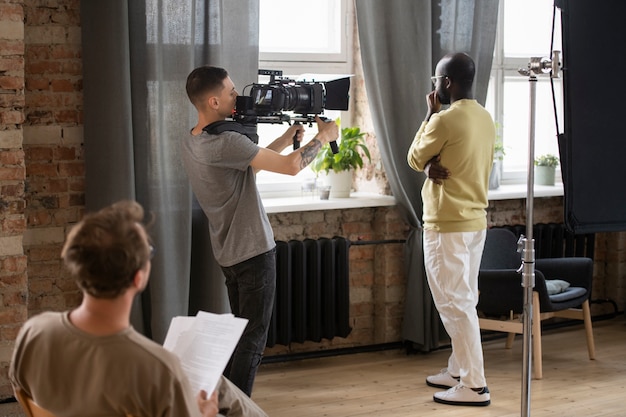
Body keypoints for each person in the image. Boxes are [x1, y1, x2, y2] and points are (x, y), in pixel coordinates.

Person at [9, 200, 268, 417]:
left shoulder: (35, 331)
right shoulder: (156, 369)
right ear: (138, 277)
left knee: (218, 384)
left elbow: (20, 389)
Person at [181, 65, 339, 396]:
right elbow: (292, 167)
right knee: (252, 342)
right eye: (229, 92)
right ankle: (238, 408)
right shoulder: (227, 142)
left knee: (239, 336)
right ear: (213, 102)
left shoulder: (195, 138)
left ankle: (222, 404)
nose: (237, 96)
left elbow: (248, 166)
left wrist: (286, 138)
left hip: (228, 253)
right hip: (253, 252)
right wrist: (323, 138)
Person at [407, 52, 495, 407]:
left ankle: (474, 385)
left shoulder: (444, 119)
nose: (435, 86)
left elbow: (414, 156)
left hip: (446, 225)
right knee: (465, 299)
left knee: (454, 303)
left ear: (446, 83)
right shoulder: (485, 118)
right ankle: (458, 369)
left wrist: (430, 114)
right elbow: (460, 161)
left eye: (436, 80)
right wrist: (432, 168)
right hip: (475, 222)